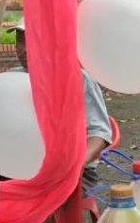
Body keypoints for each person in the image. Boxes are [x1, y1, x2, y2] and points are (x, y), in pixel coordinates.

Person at [13, 19, 111, 190]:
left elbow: (100, 134)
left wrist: (77, 165)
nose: (25, 49)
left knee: (39, 200)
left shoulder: (78, 79)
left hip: (73, 171)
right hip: (19, 168)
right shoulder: (11, 79)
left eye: (34, 40)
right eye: (20, 41)